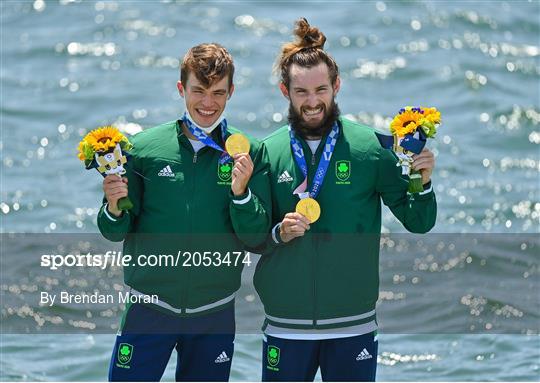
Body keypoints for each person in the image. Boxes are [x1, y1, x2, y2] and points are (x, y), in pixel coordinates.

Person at [254, 19, 437, 382]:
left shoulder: (371, 148)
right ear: (284, 91)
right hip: (285, 325)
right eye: (301, 92)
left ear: (336, 86)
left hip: (353, 325)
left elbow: (419, 222)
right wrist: (279, 232)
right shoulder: (268, 152)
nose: (312, 102)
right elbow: (250, 234)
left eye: (321, 89)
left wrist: (423, 182)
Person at [97, 43, 270, 381]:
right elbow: (114, 230)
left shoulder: (250, 152)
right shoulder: (143, 150)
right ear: (182, 89)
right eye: (199, 91)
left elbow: (256, 237)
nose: (208, 103)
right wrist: (114, 207)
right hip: (148, 310)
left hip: (214, 314)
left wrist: (241, 192)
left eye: (219, 92)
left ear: (231, 91)